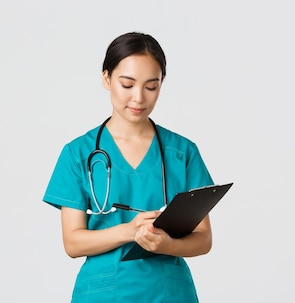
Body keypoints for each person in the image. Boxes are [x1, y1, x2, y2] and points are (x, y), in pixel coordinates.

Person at [42, 32, 214, 302]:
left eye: (151, 86)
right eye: (127, 84)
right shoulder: (78, 153)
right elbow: (73, 243)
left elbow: (203, 239)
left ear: (162, 84)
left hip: (168, 292)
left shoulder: (183, 152)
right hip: (103, 293)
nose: (139, 98)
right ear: (107, 79)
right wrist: (129, 231)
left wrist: (168, 245)